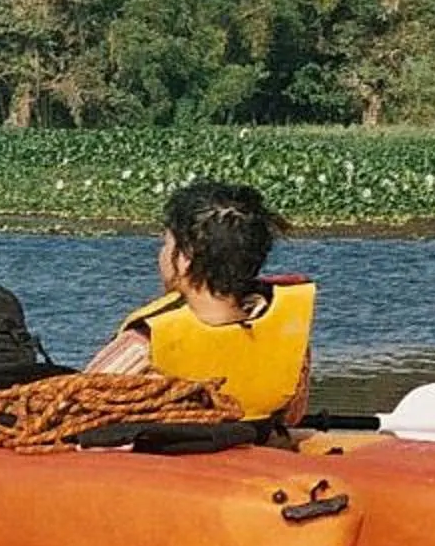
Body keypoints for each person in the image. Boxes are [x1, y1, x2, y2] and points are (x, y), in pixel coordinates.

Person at [85, 179, 316, 424]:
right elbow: (292, 415)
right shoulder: (286, 335)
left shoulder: (144, 342)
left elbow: (73, 406)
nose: (161, 254)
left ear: (185, 259)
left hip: (165, 454)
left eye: (166, 244)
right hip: (252, 442)